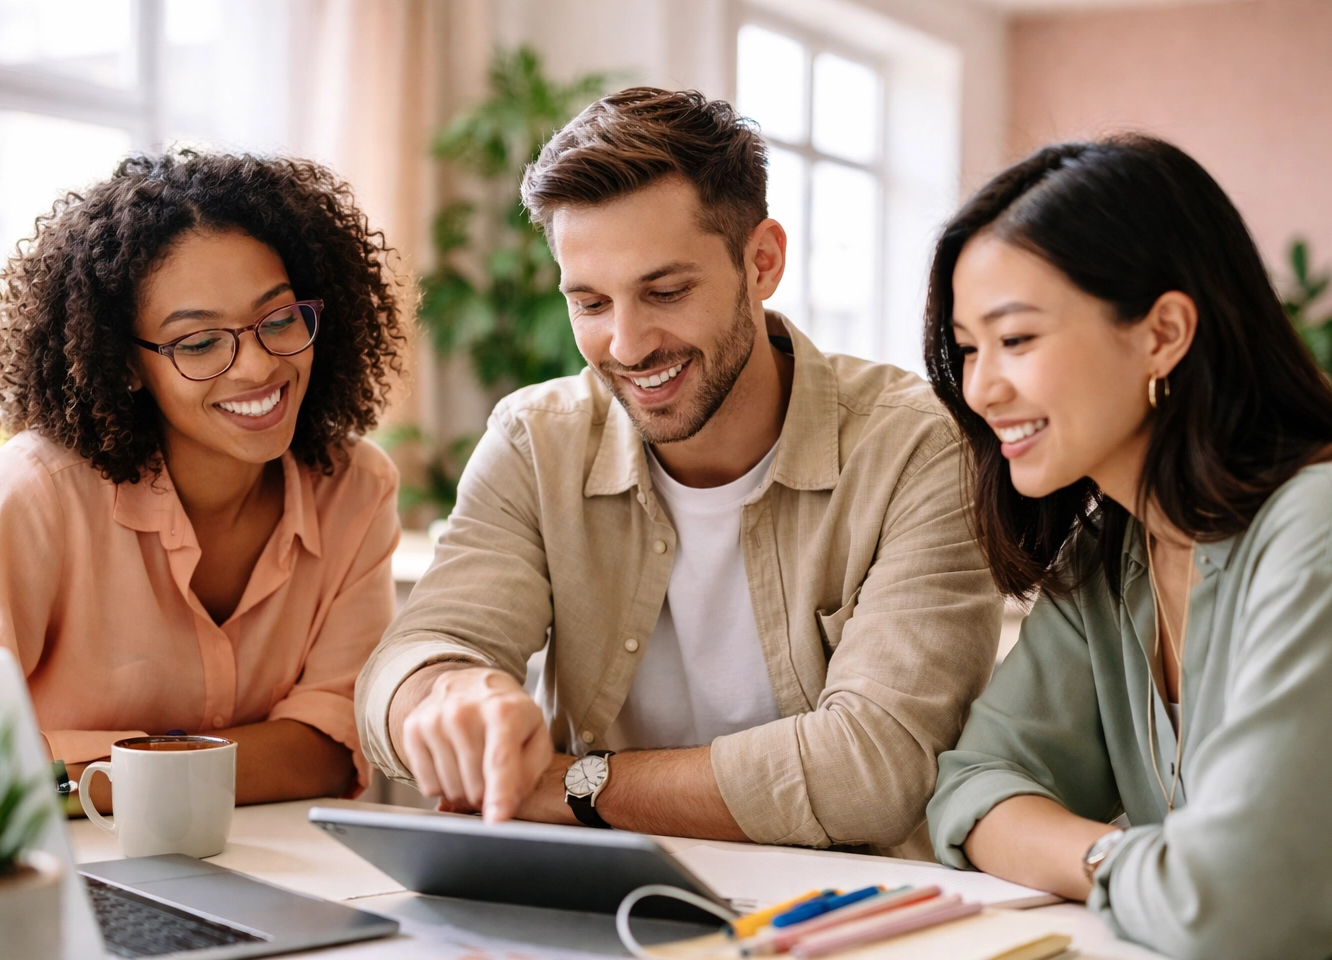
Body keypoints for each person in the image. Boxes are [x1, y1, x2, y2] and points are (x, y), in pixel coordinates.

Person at [356, 88, 1001, 853]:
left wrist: (566, 786)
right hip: (585, 904)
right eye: (590, 302)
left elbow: (872, 769)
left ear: (762, 262)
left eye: (665, 292)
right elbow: (408, 662)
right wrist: (446, 693)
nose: (626, 345)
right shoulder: (537, 439)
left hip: (836, 917)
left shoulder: (920, 449)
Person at [921, 135, 1332, 960]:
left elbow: (1229, 907)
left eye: (1016, 339)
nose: (982, 389)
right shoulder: (1110, 560)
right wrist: (1136, 862)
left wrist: (1104, 858)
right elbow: (972, 785)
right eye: (967, 349)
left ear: (1163, 333)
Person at [0, 151, 408, 809]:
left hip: (270, 871)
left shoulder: (355, 488)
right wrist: (201, 766)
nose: (256, 367)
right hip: (60, 869)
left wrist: (75, 771)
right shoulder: (39, 490)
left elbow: (326, 753)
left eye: (279, 319)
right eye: (198, 343)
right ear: (127, 364)